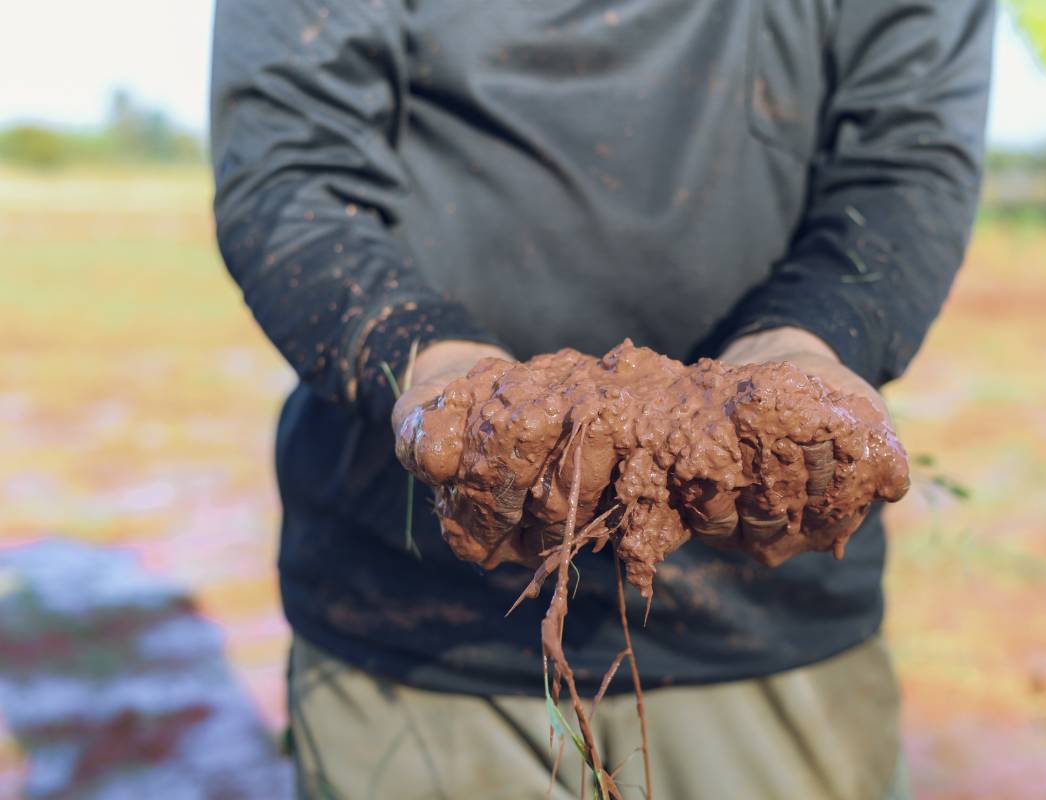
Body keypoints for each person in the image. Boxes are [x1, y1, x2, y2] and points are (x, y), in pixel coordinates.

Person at [210, 1, 993, 797]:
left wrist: (811, 343)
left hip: (767, 627)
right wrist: (421, 351)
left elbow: (907, 157)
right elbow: (289, 168)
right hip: (412, 632)